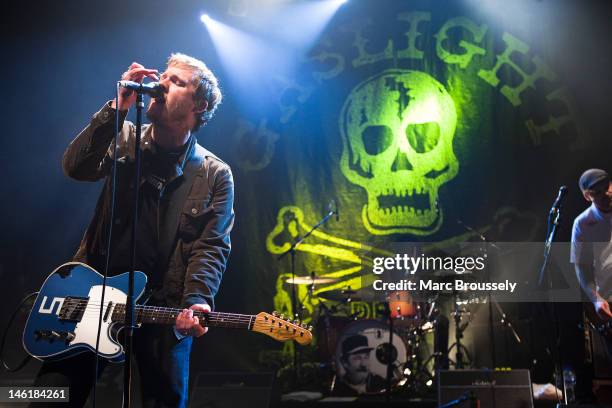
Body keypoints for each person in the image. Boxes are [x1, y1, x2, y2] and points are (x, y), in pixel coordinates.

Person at [32, 53, 234, 408]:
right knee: (50, 396)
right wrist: (116, 108)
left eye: (176, 81)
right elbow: (75, 167)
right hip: (93, 294)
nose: (161, 84)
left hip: (161, 307)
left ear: (198, 105)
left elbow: (211, 246)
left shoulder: (214, 174)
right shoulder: (123, 136)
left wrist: (197, 299)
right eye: (164, 76)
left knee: (164, 401)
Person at [571, 168, 612, 320]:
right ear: (587, 196)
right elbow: (581, 268)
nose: (606, 194)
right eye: (597, 192)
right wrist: (596, 299)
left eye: (607, 187)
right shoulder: (582, 224)